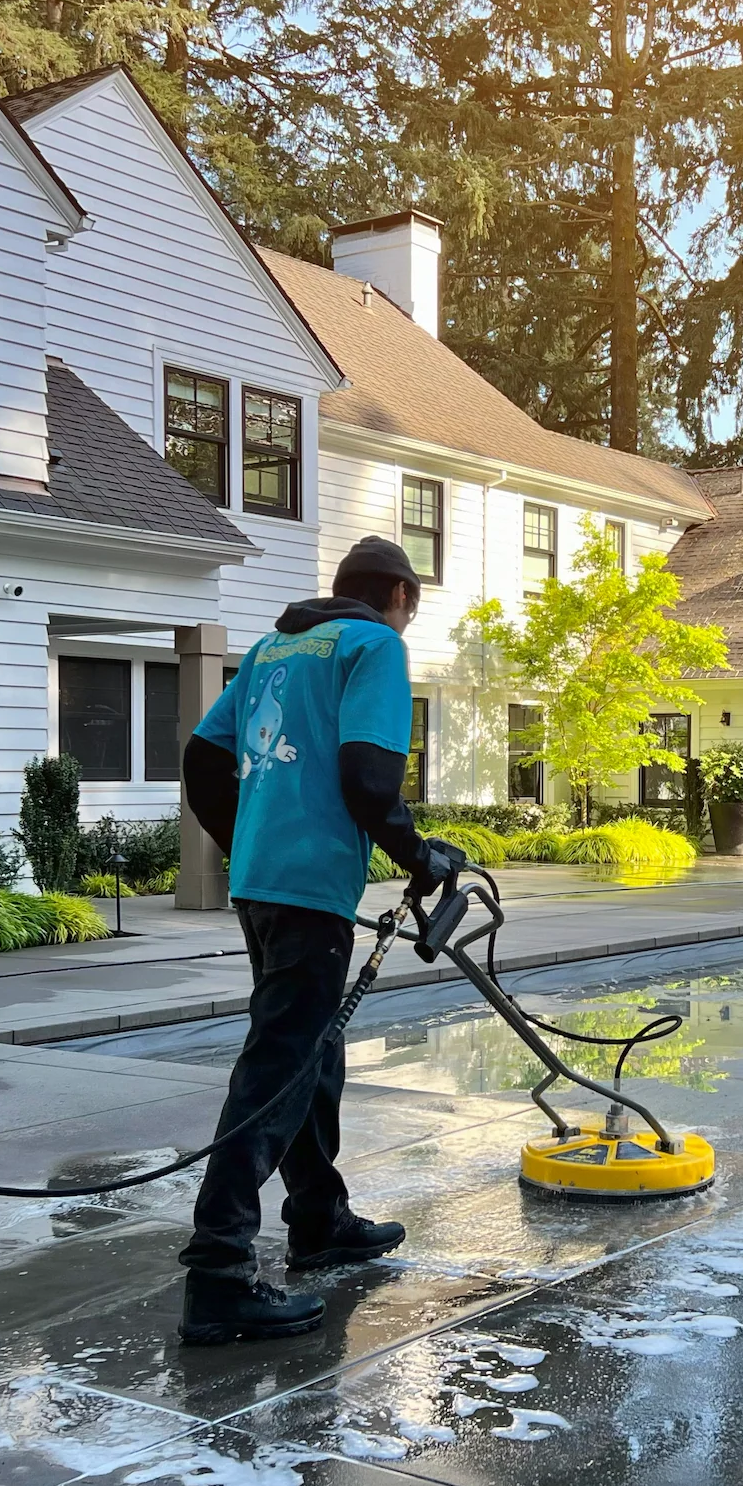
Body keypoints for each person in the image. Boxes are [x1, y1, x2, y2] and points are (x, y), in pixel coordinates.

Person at [176, 536, 466, 1343]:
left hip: (262, 881)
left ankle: (318, 1215)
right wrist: (421, 854)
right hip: (307, 887)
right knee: (281, 1060)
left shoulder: (275, 646)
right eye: (411, 604)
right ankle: (219, 1268)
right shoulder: (374, 645)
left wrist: (249, 839)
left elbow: (202, 758)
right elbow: (369, 776)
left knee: (312, 1049)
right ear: (400, 595)